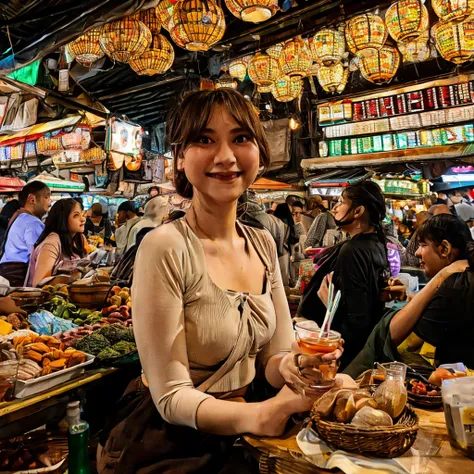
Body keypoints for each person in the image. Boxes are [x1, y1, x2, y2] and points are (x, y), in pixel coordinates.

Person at [97, 89, 345, 473]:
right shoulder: (165, 246)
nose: (226, 156)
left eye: (241, 138)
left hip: (245, 436)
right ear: (180, 158)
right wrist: (264, 414)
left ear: (259, 153)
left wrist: (299, 365)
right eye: (204, 139)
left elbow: (271, 358)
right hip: (171, 443)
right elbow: (171, 397)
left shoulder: (262, 243)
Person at [344, 214, 474, 377]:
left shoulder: (454, 285)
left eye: (422, 245)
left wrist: (441, 276)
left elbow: (393, 335)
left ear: (444, 249)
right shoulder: (461, 277)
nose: (417, 253)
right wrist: (407, 298)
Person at [298, 180, 389, 369]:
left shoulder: (353, 250)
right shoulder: (375, 244)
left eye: (341, 201)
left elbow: (357, 318)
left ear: (358, 211)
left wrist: (328, 304)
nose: (335, 207)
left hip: (341, 353)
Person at [26, 199, 86, 287]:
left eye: (82, 214)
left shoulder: (76, 239)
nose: (83, 219)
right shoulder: (51, 244)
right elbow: (40, 284)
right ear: (63, 219)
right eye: (76, 215)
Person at [0, 182, 51, 287]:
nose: (49, 202)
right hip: (18, 278)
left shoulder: (19, 217)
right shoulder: (33, 223)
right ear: (32, 199)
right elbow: (38, 257)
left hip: (6, 273)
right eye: (46, 197)